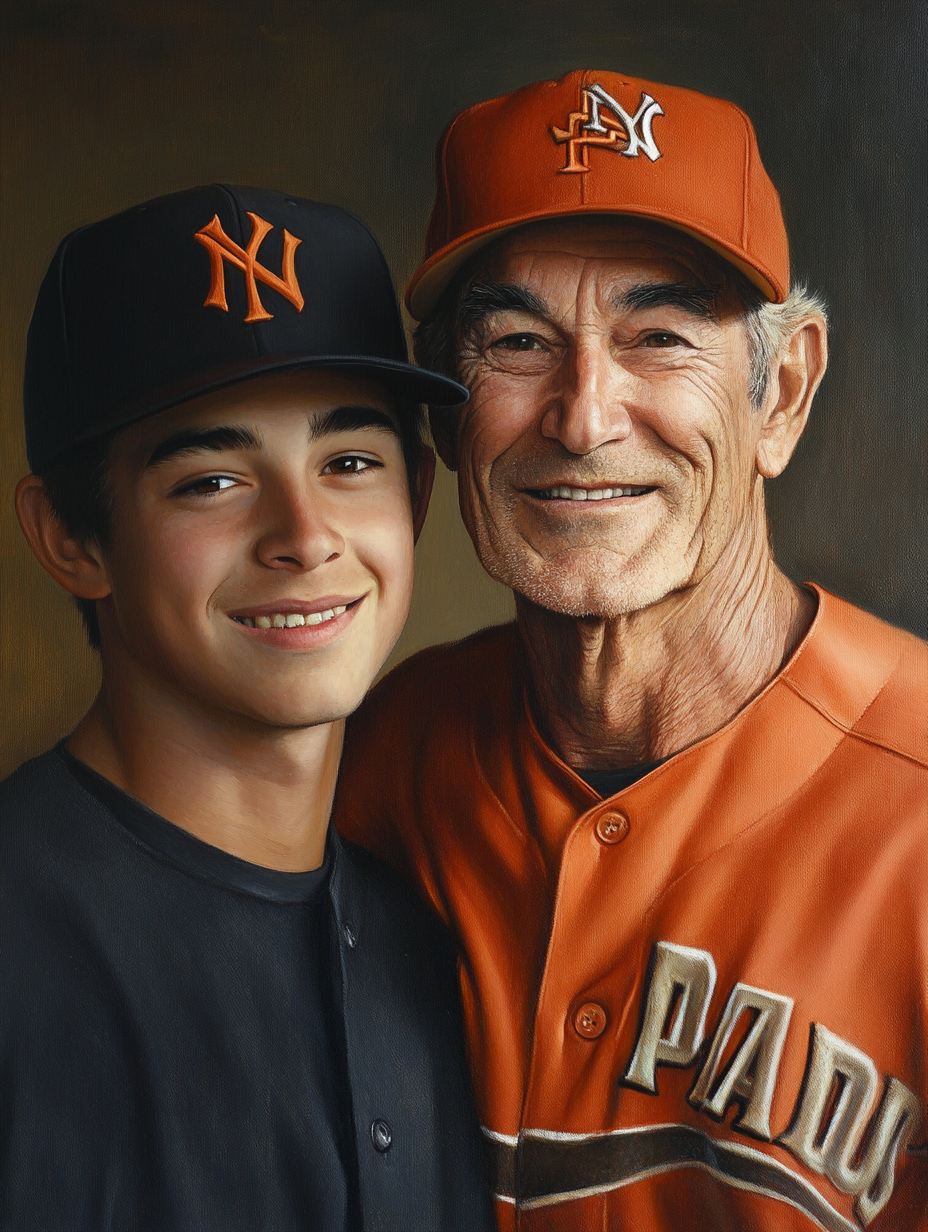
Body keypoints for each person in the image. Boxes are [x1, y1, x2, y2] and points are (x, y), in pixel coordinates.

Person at [334, 71, 928, 1232]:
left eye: (660, 335)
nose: (584, 414)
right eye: (516, 341)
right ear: (448, 414)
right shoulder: (379, 763)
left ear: (783, 394)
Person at [1, 183, 495, 1232]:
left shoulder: (437, 937)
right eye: (211, 480)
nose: (304, 534)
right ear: (70, 539)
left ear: (413, 496)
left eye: (349, 461)